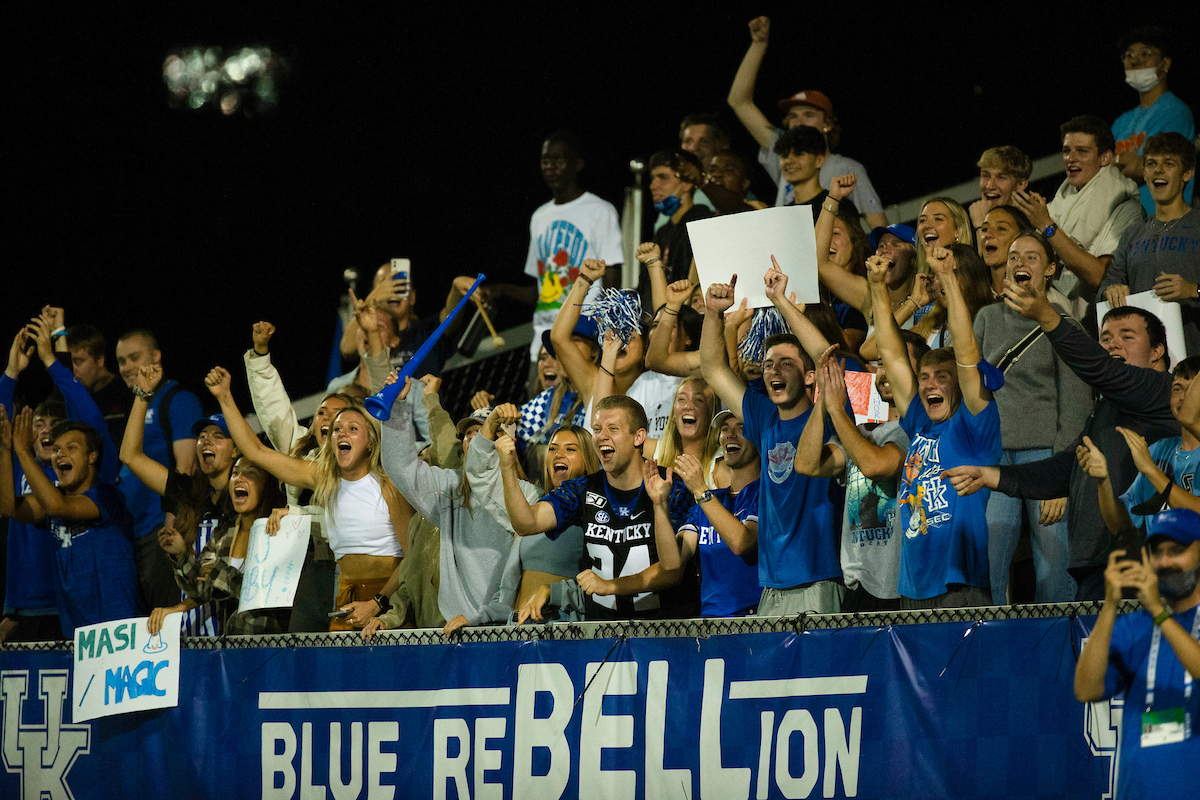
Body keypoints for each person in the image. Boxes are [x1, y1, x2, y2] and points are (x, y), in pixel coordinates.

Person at [944, 299, 1178, 601]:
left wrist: (1047, 316)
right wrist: (995, 476)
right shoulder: (1107, 408)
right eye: (1106, 338)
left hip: (1143, 565)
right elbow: (1067, 468)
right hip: (1097, 566)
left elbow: (1102, 370)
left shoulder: (1162, 389)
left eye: (1127, 336)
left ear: (1157, 351)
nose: (1113, 344)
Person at [205, 366, 411, 631]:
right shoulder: (325, 478)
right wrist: (224, 397)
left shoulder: (388, 484)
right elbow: (255, 451)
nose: (342, 433)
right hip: (345, 599)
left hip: (388, 602)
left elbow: (413, 555)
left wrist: (376, 603)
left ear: (370, 442)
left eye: (352, 428)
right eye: (337, 429)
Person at [700, 265, 845, 615]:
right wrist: (713, 314)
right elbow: (713, 369)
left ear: (810, 376)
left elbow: (826, 358)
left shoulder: (831, 412)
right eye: (767, 364)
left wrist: (779, 300)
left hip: (819, 581)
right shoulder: (765, 417)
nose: (773, 371)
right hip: (770, 585)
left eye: (786, 363)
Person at [869, 244, 1002, 608]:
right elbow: (892, 354)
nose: (929, 384)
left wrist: (946, 276)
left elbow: (966, 352)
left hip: (959, 582)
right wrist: (877, 287)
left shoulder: (974, 425)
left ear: (960, 384)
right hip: (913, 584)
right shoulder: (920, 422)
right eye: (925, 377)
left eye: (942, 377)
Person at [974, 232, 1094, 604]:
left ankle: (1058, 641)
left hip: (1044, 458)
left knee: (1053, 571)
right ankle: (987, 636)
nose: (1019, 264)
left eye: (1031, 257)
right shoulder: (986, 318)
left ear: (1050, 270)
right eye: (1013, 257)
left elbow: (1076, 402)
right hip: (996, 458)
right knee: (987, 563)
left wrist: (1061, 476)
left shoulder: (1062, 323)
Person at [500, 395, 692, 620]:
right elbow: (526, 523)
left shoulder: (672, 486)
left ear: (638, 437)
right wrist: (507, 468)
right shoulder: (583, 488)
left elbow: (673, 571)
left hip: (663, 631)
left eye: (613, 428)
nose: (602, 436)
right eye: (597, 429)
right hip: (603, 633)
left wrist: (611, 586)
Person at [0, 317, 121, 642]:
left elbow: (91, 421)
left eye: (62, 435)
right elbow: (10, 506)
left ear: (90, 454)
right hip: (35, 609)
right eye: (39, 424)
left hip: (91, 618)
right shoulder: (23, 465)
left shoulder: (96, 488)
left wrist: (53, 360)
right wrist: (10, 374)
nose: (49, 435)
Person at [796, 332, 928, 611]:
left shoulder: (919, 432)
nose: (885, 372)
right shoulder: (858, 434)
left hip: (902, 586)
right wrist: (823, 403)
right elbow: (806, 464)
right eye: (880, 363)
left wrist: (837, 411)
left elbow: (874, 465)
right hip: (859, 584)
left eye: (896, 362)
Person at [1073, 509, 1200, 800]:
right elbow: (1086, 689)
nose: (1165, 562)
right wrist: (1109, 606)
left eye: (1177, 551)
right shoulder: (1135, 626)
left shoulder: (1155, 616)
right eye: (1157, 553)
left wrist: (1158, 611)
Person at [435, 410, 597, 633]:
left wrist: (552, 592)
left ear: (588, 459)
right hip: (517, 630)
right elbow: (480, 475)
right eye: (552, 448)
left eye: (570, 449)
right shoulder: (534, 504)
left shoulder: (595, 510)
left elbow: (603, 586)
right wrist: (479, 617)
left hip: (561, 633)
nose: (558, 454)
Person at [243, 321, 355, 632]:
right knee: (296, 644)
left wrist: (296, 515)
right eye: (321, 413)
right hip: (301, 568)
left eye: (337, 414)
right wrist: (260, 355)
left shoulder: (357, 466)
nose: (326, 418)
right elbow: (275, 411)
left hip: (343, 567)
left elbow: (346, 519)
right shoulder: (300, 450)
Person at [378, 378, 515, 628]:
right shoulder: (451, 489)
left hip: (501, 629)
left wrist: (484, 616)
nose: (472, 440)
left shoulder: (527, 497)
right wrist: (397, 407)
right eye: (468, 435)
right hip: (453, 629)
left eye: (483, 433)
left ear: (508, 442)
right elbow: (402, 468)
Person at [726, 16, 886, 228]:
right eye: (793, 116)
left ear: (827, 124)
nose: (799, 122)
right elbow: (739, 102)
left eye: (808, 115)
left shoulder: (847, 167)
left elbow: (880, 227)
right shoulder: (784, 154)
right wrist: (759, 44)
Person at [0, 409, 142, 637]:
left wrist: (23, 452)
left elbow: (57, 507)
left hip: (119, 631)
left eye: (71, 448)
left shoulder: (107, 496)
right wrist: (6, 449)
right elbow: (8, 507)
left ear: (92, 457)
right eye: (56, 449)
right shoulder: (55, 499)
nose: (59, 454)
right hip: (79, 636)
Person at [121, 365, 238, 636]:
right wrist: (142, 396)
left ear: (237, 449)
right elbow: (130, 456)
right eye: (202, 436)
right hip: (191, 634)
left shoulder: (248, 499)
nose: (206, 441)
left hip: (233, 634)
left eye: (218, 436)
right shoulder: (186, 492)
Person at [1012, 115, 1144, 320]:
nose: (1070, 158)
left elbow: (1101, 277)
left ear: (1105, 158)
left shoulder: (1126, 208)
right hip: (1053, 320)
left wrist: (1047, 226)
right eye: (1066, 151)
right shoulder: (1057, 204)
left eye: (1081, 151)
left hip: (1093, 326)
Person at [112, 327, 204, 609]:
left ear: (156, 356)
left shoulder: (179, 400)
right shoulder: (138, 402)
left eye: (134, 358)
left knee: (164, 617)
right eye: (121, 361)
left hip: (160, 530)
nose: (127, 367)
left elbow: (186, 468)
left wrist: (172, 523)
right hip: (133, 532)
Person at [147, 455, 289, 636]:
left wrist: (218, 575)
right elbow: (202, 590)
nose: (239, 478)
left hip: (268, 644)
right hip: (229, 644)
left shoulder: (277, 532)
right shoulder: (223, 533)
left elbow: (262, 592)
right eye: (235, 473)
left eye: (250, 473)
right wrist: (181, 554)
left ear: (266, 485)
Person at [522, 131, 624, 358]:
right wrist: (499, 290)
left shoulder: (600, 210)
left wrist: (607, 334)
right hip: (542, 341)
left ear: (577, 164)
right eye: (545, 160)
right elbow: (538, 290)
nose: (550, 167)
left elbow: (612, 279)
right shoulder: (539, 216)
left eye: (558, 160)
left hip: (583, 339)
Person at [1098, 132, 1199, 354]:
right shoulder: (1133, 233)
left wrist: (1193, 289)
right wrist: (1109, 290)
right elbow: (1108, 283)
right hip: (1144, 363)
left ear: (1187, 173)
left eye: (1169, 164)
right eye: (1152, 164)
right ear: (1144, 172)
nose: (1158, 170)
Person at [1078, 357, 1200, 535]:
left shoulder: (1150, 462)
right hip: (1157, 553)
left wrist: (1151, 470)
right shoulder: (1158, 450)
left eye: (1191, 391)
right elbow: (1122, 525)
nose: (1183, 398)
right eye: (1177, 388)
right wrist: (1103, 480)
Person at [1111, 26, 1195, 214]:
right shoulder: (1122, 121)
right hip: (1122, 221)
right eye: (1128, 55)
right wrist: (1122, 161)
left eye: (1145, 53)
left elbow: (1145, 167)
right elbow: (1099, 170)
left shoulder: (1175, 112)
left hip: (1159, 220)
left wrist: (1118, 163)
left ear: (1165, 64)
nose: (1135, 60)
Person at [642, 149, 714, 305]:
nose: (653, 185)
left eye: (663, 177)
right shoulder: (662, 232)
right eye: (653, 178)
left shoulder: (703, 225)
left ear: (687, 183)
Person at [62, 321, 132, 446]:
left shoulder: (127, 391)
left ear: (100, 360)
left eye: (78, 361)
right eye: (69, 363)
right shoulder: (71, 398)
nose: (73, 370)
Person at [968, 146, 1031, 233]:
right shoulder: (968, 223)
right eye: (986, 176)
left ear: (1020, 185)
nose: (990, 186)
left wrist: (981, 225)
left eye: (1001, 177)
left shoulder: (1030, 226)